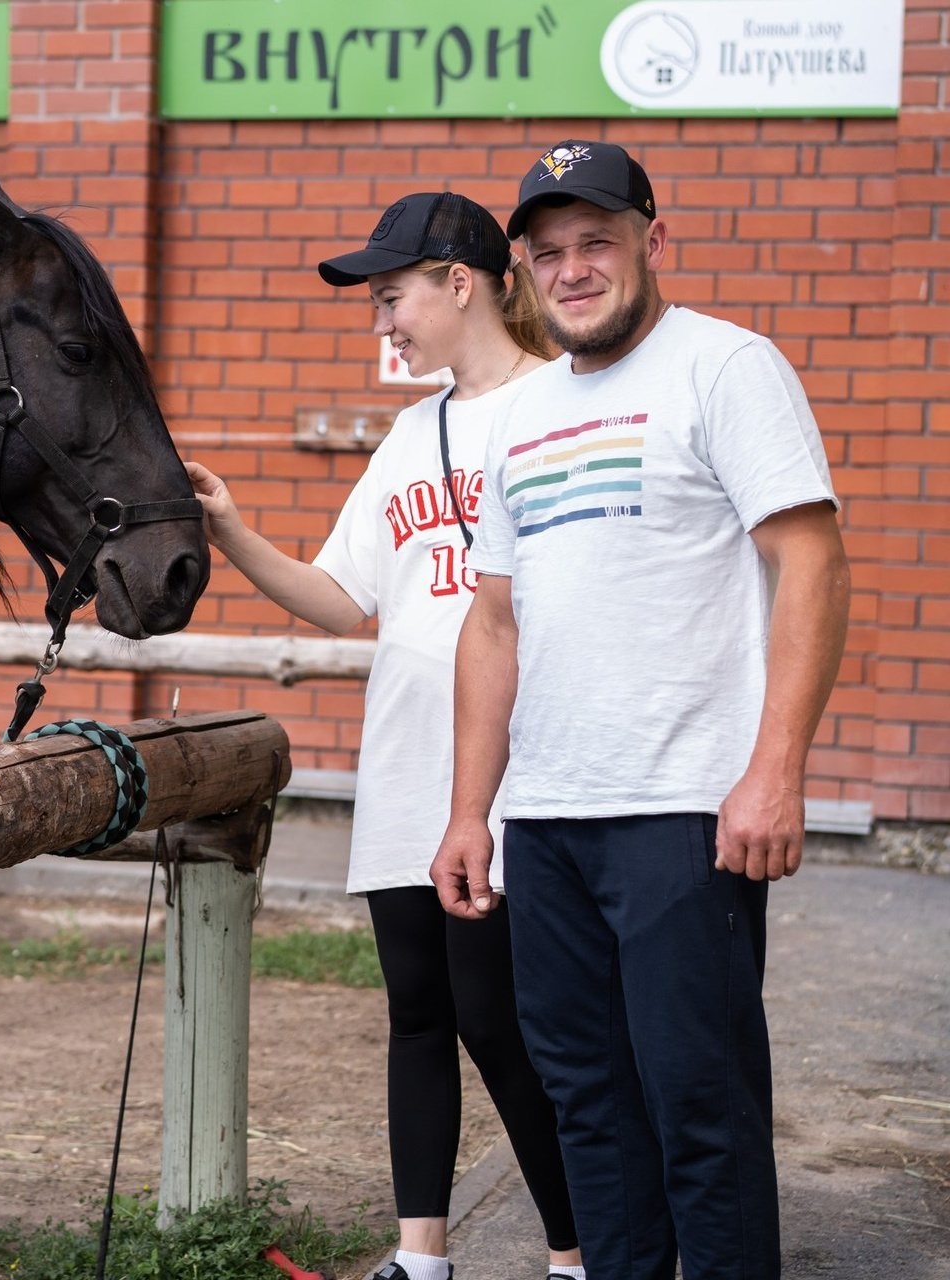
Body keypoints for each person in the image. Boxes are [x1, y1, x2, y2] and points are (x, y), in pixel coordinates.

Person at [430, 140, 852, 1279]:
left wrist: (773, 768)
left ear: (651, 241)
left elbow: (809, 561)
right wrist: (470, 811)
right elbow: (493, 624)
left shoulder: (724, 367)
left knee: (696, 1103)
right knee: (589, 1109)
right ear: (519, 270)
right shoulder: (519, 418)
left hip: (683, 809)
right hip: (549, 820)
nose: (573, 269)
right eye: (547, 251)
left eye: (597, 241)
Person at [187, 192, 583, 1280]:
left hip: (508, 765)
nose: (383, 323)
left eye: (391, 296)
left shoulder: (564, 403)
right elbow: (336, 595)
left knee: (498, 1021)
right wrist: (230, 528)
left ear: (461, 282)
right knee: (417, 1012)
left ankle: (574, 1253)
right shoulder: (413, 433)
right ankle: (421, 1258)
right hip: (407, 757)